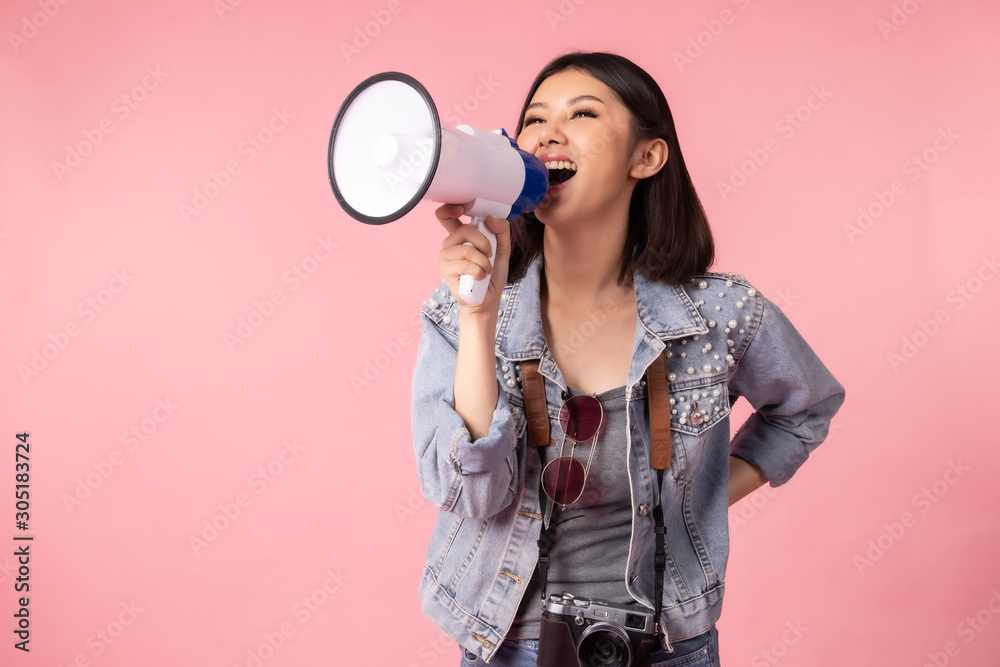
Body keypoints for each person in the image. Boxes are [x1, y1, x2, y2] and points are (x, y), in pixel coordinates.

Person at [411, 51, 844, 667]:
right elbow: (472, 495)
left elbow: (805, 409)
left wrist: (699, 496)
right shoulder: (459, 313)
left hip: (666, 646)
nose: (546, 134)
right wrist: (480, 318)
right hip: (508, 645)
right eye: (533, 119)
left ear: (647, 157)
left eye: (582, 112)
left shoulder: (718, 315)